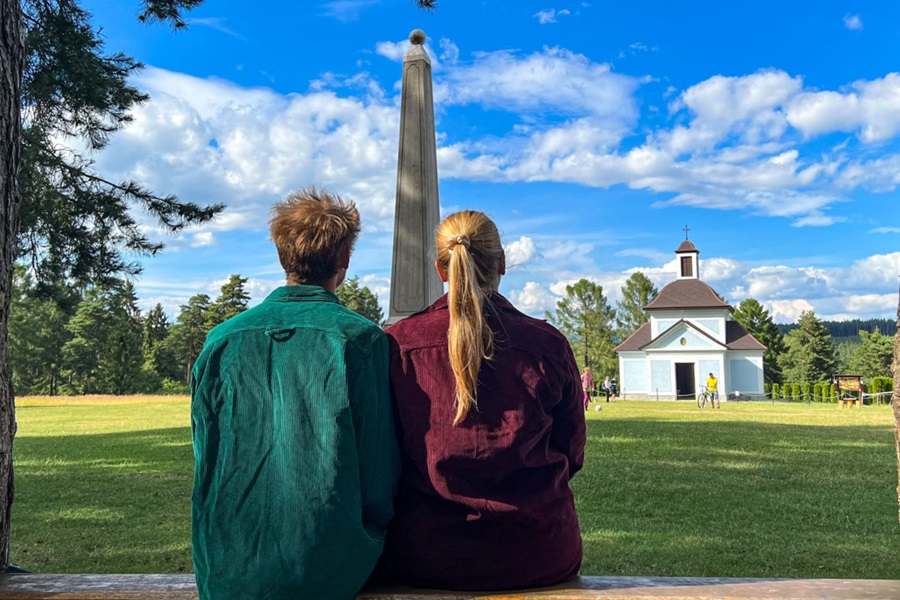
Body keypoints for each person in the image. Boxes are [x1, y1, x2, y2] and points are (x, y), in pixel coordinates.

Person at [191, 187, 400, 600]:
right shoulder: (360, 340)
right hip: (330, 566)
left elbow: (207, 456)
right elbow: (380, 475)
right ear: (344, 259)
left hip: (226, 566)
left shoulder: (220, 341)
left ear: (283, 255)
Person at [385, 210, 586, 591]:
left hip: (426, 553)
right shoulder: (548, 345)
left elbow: (384, 460)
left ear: (440, 269)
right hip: (537, 552)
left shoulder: (398, 346)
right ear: (503, 263)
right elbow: (571, 451)